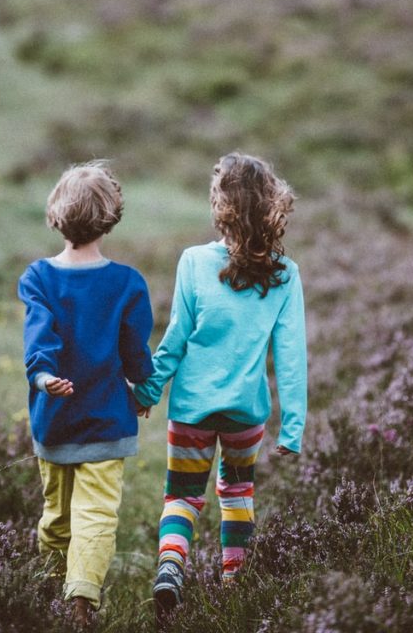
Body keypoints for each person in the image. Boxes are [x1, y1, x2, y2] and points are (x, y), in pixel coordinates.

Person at [133, 151, 307, 626]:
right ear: (269, 206)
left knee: (182, 496)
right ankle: (233, 586)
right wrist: (291, 427)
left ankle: (171, 567)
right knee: (237, 493)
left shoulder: (192, 261)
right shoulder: (285, 275)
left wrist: (147, 393)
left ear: (220, 206)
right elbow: (290, 358)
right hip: (246, 415)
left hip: (191, 409)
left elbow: (175, 339)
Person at [18, 160, 153, 628]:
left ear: (55, 214)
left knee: (56, 515)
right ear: (111, 217)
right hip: (107, 420)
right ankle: (81, 597)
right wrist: (144, 389)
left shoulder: (38, 277)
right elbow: (135, 351)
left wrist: (43, 378)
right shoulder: (128, 282)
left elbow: (40, 339)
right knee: (95, 515)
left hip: (53, 419)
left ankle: (57, 586)